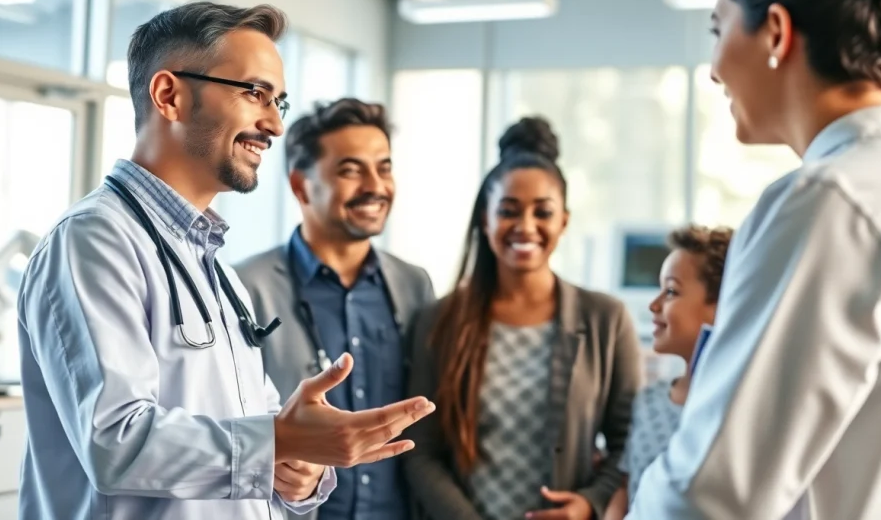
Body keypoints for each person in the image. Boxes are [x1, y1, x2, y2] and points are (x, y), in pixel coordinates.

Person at [16, 2, 435, 520]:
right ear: (169, 95)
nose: (275, 125)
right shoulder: (92, 242)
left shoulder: (220, 275)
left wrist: (297, 471)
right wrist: (278, 441)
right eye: (254, 93)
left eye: (278, 101)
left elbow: (256, 460)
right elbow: (115, 442)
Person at [627, 0, 881, 519]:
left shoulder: (829, 201)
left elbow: (710, 495)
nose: (715, 70)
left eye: (718, 30)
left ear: (775, 31)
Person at [404, 117, 643, 520]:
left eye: (542, 212)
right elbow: (420, 449)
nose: (526, 227)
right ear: (486, 219)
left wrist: (590, 503)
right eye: (509, 211)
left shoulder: (607, 319)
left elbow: (630, 441)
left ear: (563, 221)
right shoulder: (440, 320)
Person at [236, 97, 435, 520]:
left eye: (384, 167)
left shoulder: (414, 285)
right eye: (350, 170)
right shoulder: (243, 287)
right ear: (300, 185)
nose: (375, 186)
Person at [603, 225, 733, 520]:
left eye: (671, 291)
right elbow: (626, 489)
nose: (654, 304)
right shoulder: (648, 401)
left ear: (723, 304)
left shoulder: (737, 411)